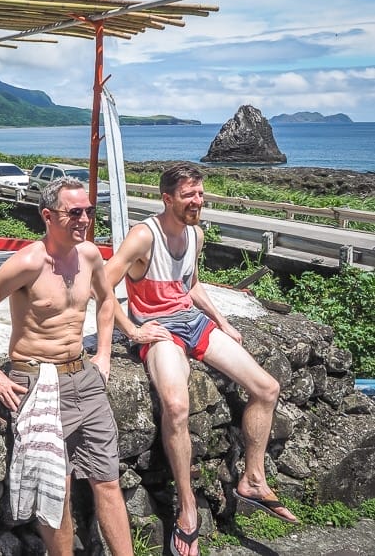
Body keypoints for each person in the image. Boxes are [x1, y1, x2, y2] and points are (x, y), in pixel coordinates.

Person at [104, 163, 298, 556]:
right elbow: (101, 285)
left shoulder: (196, 234)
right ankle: (187, 509)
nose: (198, 200)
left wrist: (222, 322)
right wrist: (133, 330)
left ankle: (253, 480)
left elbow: (190, 285)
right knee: (176, 406)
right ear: (168, 198)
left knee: (267, 387)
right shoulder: (144, 236)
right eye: (189, 195)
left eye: (201, 193)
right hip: (160, 330)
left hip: (194, 323)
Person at [0, 177, 133, 556]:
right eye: (74, 212)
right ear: (48, 216)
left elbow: (107, 301)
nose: (84, 219)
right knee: (59, 488)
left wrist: (103, 353)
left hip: (84, 375)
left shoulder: (89, 255)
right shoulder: (29, 262)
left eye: (89, 211)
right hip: (38, 379)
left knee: (108, 479)